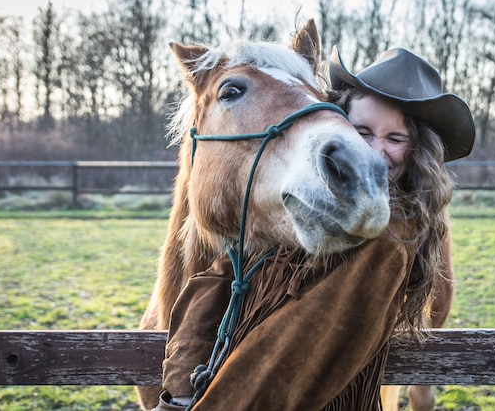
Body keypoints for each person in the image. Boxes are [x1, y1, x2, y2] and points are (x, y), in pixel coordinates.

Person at [152, 46, 474, 411]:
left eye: (396, 139)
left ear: (417, 151)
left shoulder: (385, 238)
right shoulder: (309, 206)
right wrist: (178, 395)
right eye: (362, 131)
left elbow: (280, 375)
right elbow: (220, 277)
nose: (373, 152)